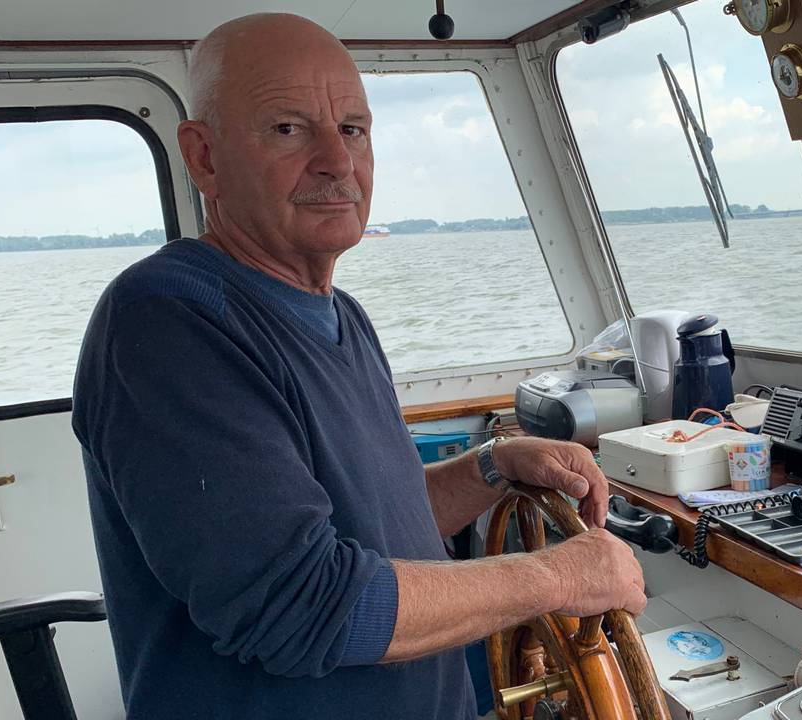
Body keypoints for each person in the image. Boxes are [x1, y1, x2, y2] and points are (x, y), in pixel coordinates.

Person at [71, 13, 645, 719]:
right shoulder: (166, 323)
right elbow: (301, 604)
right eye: (288, 128)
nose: (337, 163)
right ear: (204, 157)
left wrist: (493, 466)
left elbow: (370, 524)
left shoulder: (343, 315)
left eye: (352, 129)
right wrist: (555, 578)